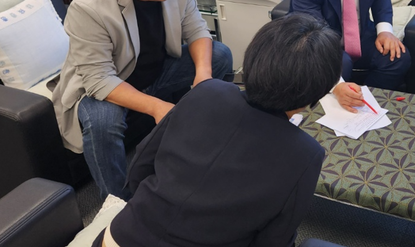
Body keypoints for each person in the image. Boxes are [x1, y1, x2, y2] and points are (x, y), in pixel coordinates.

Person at [91, 13, 339, 247]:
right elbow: (274, 238)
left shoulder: (206, 91)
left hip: (121, 236)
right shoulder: (306, 154)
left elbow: (140, 168)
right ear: (316, 94)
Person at [51, 0, 233, 200]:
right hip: (107, 85)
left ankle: (199, 148)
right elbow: (99, 78)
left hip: (156, 71)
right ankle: (115, 203)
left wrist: (203, 76)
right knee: (103, 123)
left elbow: (196, 29)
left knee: (219, 56)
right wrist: (157, 107)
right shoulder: (88, 8)